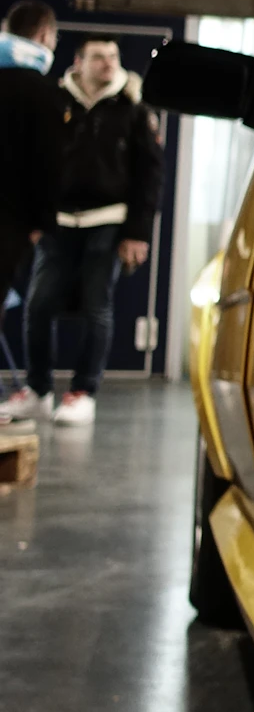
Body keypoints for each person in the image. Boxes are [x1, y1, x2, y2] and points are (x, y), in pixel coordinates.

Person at [15, 37, 163, 427]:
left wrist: (138, 233)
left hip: (109, 222)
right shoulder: (54, 101)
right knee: (38, 304)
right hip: (58, 222)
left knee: (97, 307)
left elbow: (150, 175)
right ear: (79, 62)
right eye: (99, 57)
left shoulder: (132, 109)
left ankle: (83, 391)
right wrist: (32, 218)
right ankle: (37, 390)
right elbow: (34, 160)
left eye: (114, 57)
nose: (108, 64)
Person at [0, 0, 60, 410]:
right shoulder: (40, 92)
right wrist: (40, 221)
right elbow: (46, 162)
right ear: (42, 36)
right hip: (9, 221)